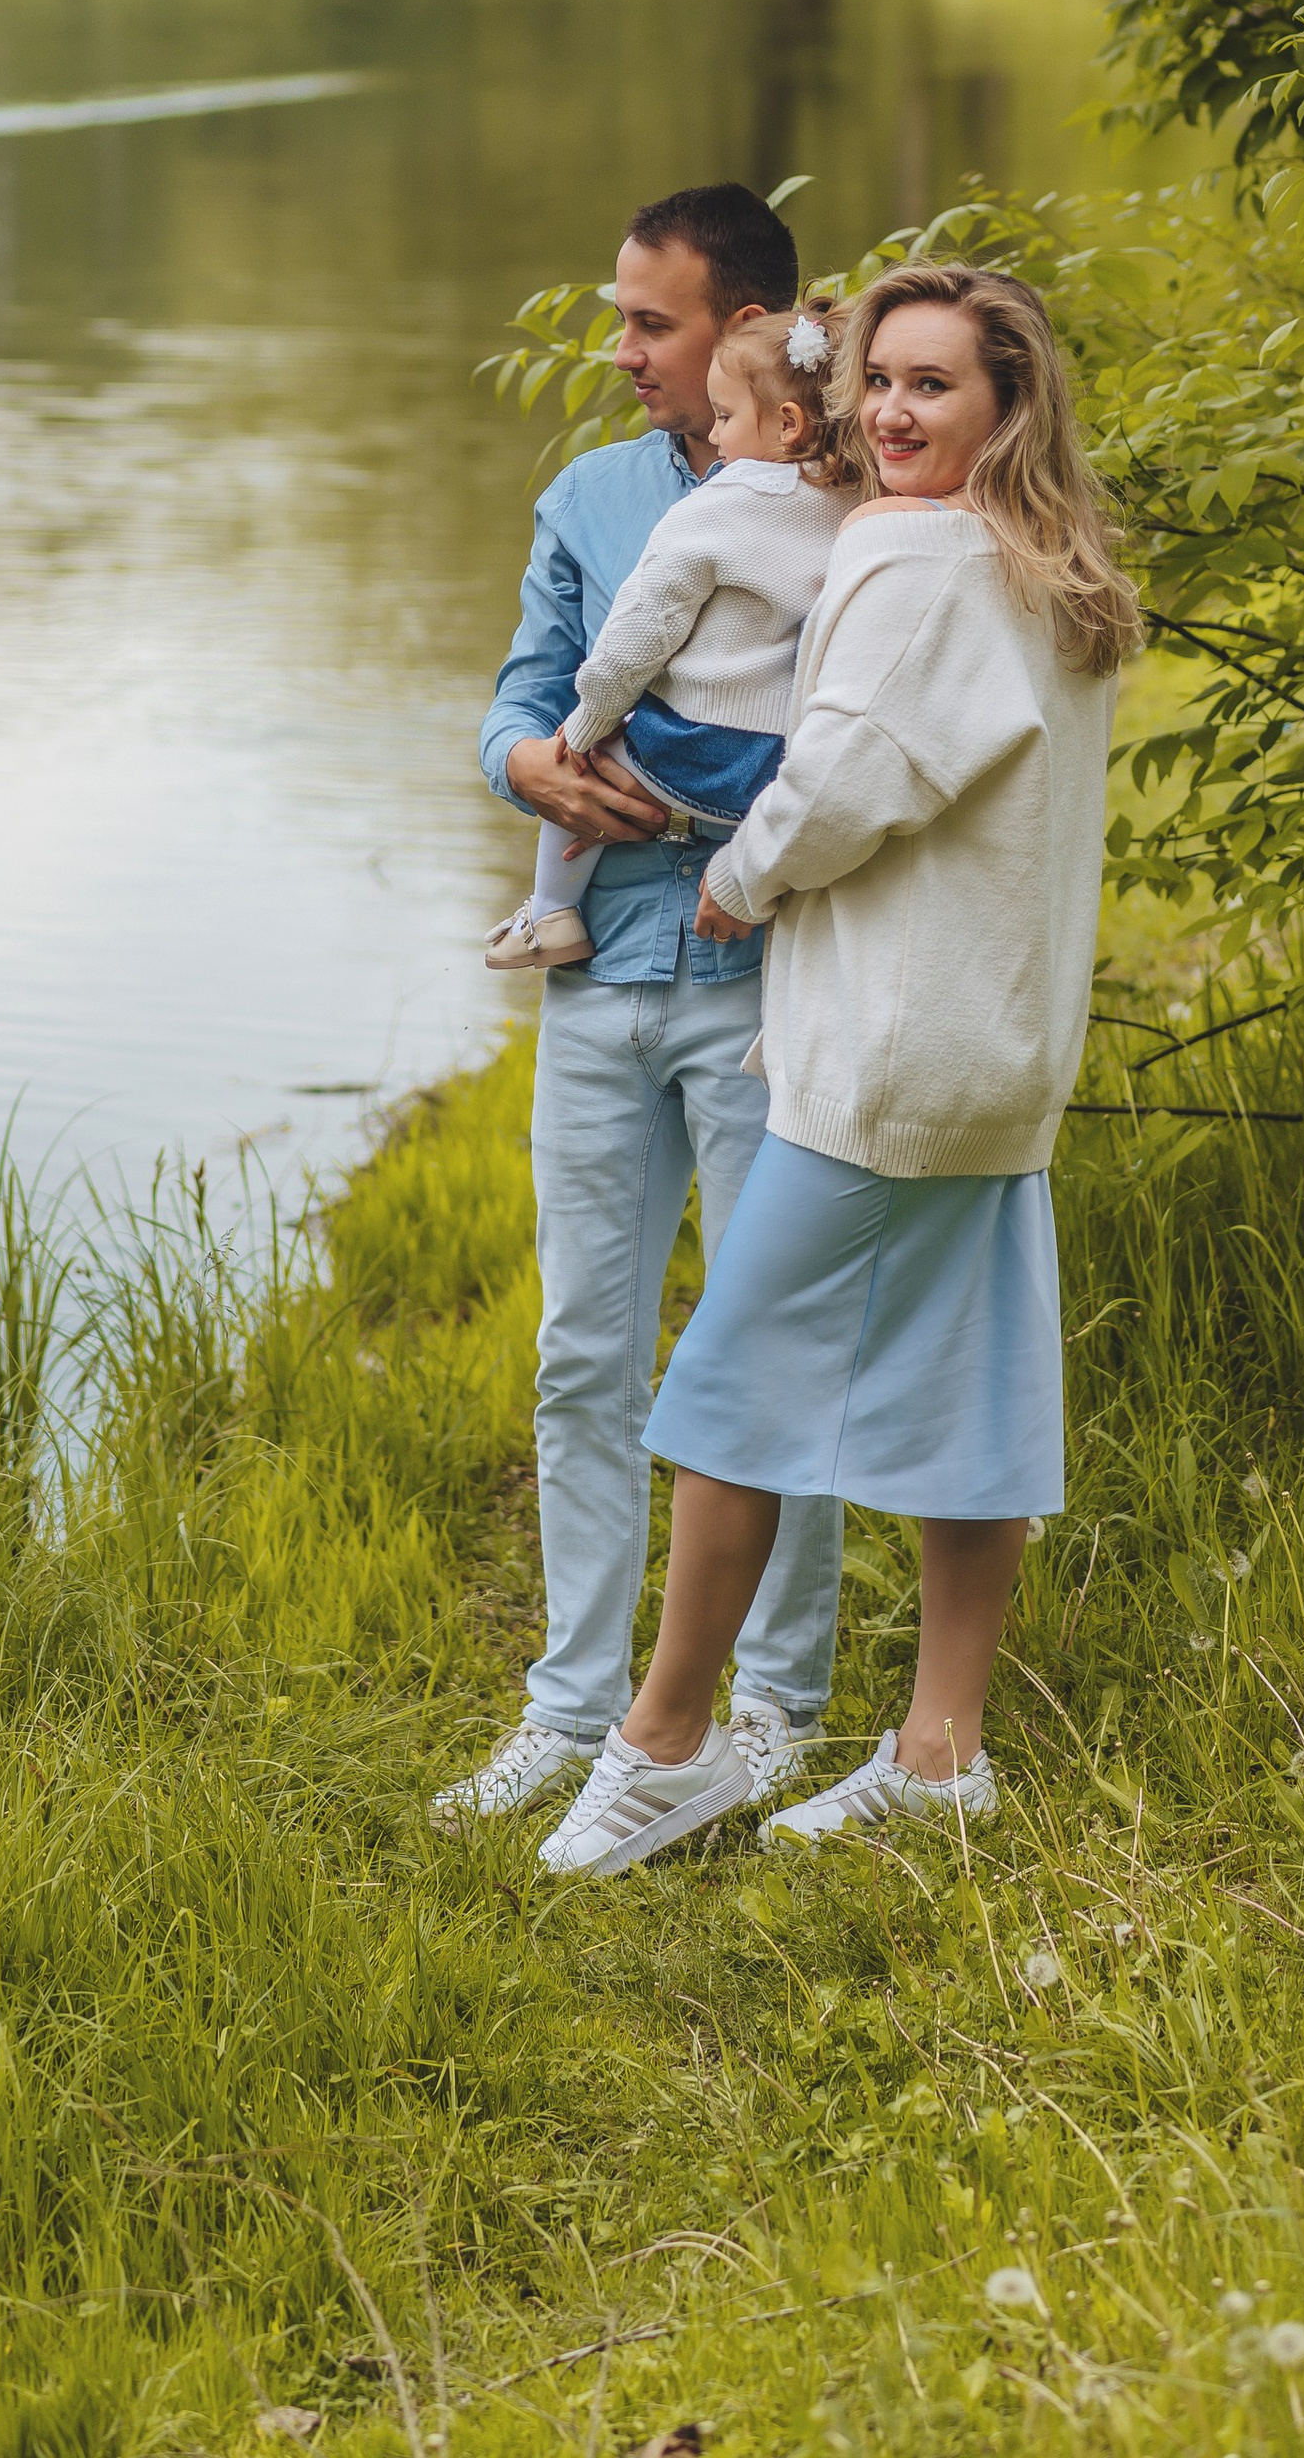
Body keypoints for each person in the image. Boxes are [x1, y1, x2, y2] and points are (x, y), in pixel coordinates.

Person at [534, 257, 1140, 1878]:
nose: (890, 411)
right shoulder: (1051, 567)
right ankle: (940, 1753)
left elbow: (847, 772)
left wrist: (739, 883)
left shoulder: (914, 556)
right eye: (880, 379)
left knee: (727, 1390)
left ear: (1009, 405)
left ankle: (661, 1744)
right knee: (968, 1391)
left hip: (888, 1057)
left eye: (934, 385)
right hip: (996, 1055)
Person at [431, 187, 848, 1829]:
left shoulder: (845, 499)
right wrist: (522, 761)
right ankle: (570, 1710)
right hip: (598, 970)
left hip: (766, 976)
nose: (620, 354)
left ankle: (776, 1710)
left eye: (648, 325)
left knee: (766, 1349)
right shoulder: (593, 499)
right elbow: (526, 699)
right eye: (618, 318)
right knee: (583, 1347)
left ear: (747, 329)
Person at [482, 305, 856, 972]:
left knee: (580, 767)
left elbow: (641, 629)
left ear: (788, 424)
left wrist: (589, 720)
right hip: (781, 771)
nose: (717, 433)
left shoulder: (717, 505)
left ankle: (548, 913)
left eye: (727, 417)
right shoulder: (856, 503)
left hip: (693, 750)